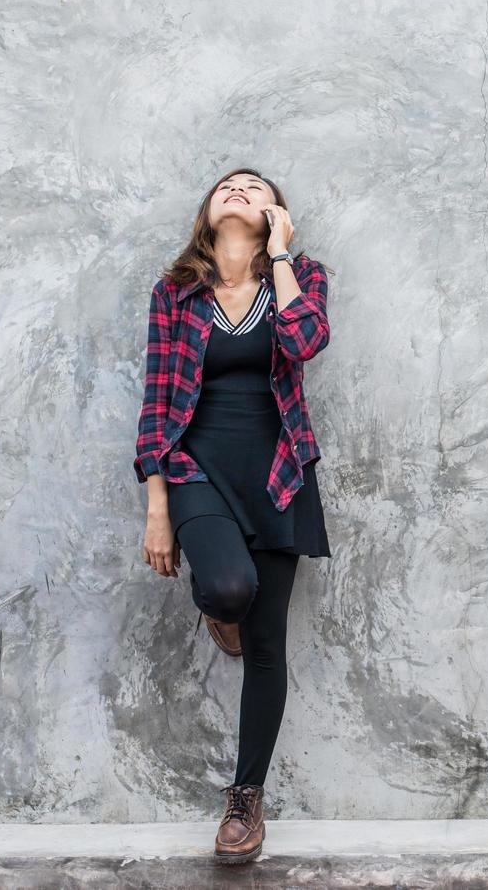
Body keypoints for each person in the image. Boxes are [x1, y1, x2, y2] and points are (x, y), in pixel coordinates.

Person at [133, 167, 332, 864]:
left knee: (268, 645)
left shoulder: (299, 277)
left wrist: (279, 255)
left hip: (277, 474)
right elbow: (157, 405)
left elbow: (305, 342)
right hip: (196, 470)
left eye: (256, 186)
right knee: (226, 588)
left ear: (276, 210)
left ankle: (245, 799)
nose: (239, 189)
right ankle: (221, 610)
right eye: (228, 185)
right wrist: (158, 505)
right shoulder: (175, 294)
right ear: (207, 212)